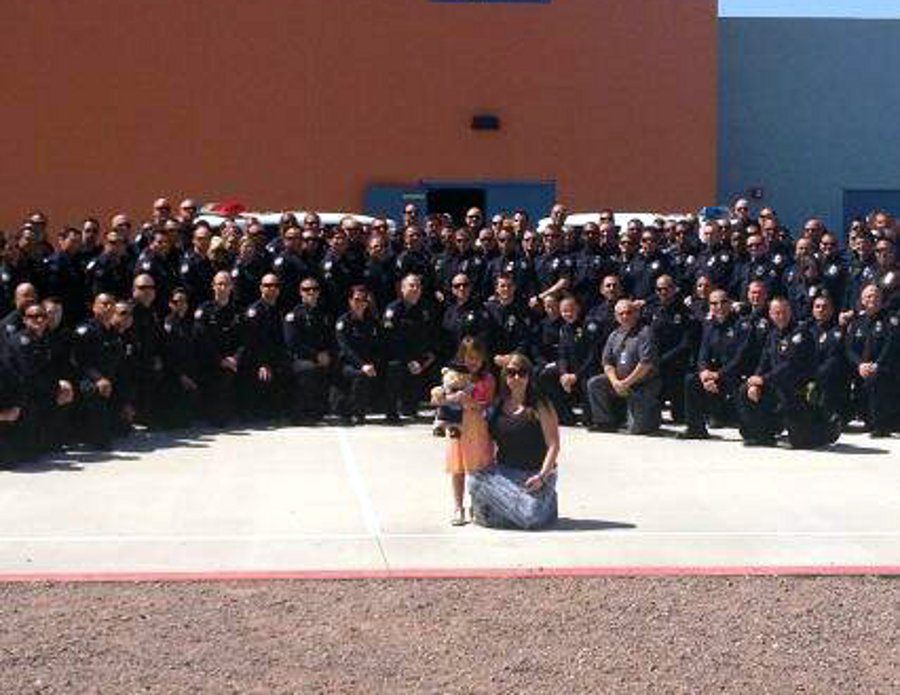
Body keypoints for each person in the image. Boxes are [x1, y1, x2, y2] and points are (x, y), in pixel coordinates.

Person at [467, 353, 559, 530]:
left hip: (535, 474)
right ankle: (522, 510)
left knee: (530, 515)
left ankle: (497, 512)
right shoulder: (497, 405)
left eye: (522, 373)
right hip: (505, 474)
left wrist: (542, 477)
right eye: (511, 372)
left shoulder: (541, 405)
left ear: (529, 376)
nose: (516, 377)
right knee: (474, 480)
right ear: (504, 376)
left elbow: (554, 445)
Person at [737, 297, 816, 446]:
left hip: (797, 386)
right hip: (775, 383)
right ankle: (759, 435)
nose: (781, 316)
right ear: (770, 314)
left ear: (790, 312)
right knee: (744, 390)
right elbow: (764, 361)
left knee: (800, 442)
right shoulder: (773, 335)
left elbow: (790, 365)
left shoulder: (800, 334)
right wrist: (755, 380)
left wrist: (764, 379)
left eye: (784, 312)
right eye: (777, 313)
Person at [433, 337, 496, 526]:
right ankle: (458, 507)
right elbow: (438, 399)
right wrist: (443, 398)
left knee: (479, 469)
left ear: (483, 358)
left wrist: (471, 403)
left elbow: (490, 404)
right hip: (457, 428)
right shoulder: (453, 375)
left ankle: (478, 504)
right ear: (461, 357)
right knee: (457, 469)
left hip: (478, 428)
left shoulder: (487, 378)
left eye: (477, 357)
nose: (473, 362)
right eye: (469, 357)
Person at [586, 299, 661, 434]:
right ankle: (604, 422)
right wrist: (615, 382)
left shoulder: (645, 332)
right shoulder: (614, 335)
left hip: (642, 384)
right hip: (620, 382)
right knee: (595, 383)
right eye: (621, 314)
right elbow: (607, 362)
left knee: (637, 430)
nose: (625, 316)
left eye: (629, 312)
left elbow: (646, 364)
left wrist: (626, 383)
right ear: (616, 316)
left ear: (636, 314)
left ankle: (650, 418)